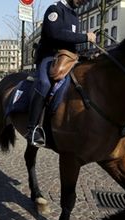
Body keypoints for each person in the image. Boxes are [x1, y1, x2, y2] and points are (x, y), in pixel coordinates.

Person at [25, 0, 96, 147]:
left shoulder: (74, 14)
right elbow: (55, 34)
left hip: (69, 58)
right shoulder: (55, 10)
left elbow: (71, 42)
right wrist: (85, 37)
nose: (83, 2)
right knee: (44, 84)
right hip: (50, 57)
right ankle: (32, 129)